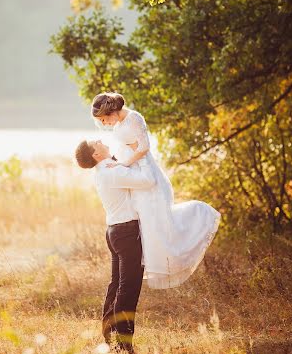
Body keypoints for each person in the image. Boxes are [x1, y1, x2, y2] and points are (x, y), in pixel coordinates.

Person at [91, 92, 221, 289]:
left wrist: (122, 165)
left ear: (110, 112)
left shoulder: (134, 118)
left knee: (159, 222)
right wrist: (118, 164)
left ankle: (196, 221)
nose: (104, 124)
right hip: (136, 176)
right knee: (148, 225)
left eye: (103, 119)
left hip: (147, 176)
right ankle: (142, 265)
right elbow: (127, 149)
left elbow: (144, 148)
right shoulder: (118, 125)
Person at [75, 138, 156, 354]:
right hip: (127, 233)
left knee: (117, 285)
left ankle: (110, 334)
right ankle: (123, 343)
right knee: (128, 289)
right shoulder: (112, 172)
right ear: (95, 155)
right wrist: (143, 156)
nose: (101, 140)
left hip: (115, 231)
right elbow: (148, 181)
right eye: (96, 143)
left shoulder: (104, 171)